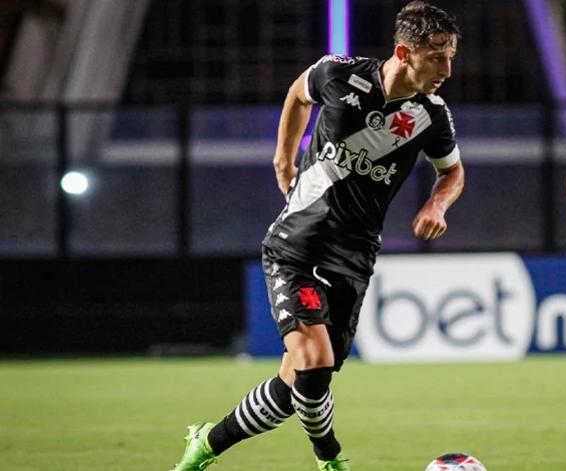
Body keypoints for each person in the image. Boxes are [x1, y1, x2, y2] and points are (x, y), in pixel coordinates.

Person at [168, 2, 463, 470]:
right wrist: (284, 158)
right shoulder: (338, 74)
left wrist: (436, 203)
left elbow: (452, 174)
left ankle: (206, 444)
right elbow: (297, 95)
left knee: (296, 388)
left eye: (451, 56)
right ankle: (331, 459)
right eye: (437, 57)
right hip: (296, 246)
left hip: (354, 258)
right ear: (404, 52)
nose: (447, 69)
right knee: (315, 358)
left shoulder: (431, 115)